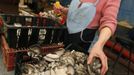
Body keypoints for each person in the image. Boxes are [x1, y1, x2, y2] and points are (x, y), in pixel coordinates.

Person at [54, 0, 121, 75]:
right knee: (59, 61)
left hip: (83, 39)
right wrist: (63, 10)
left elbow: (109, 21)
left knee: (74, 67)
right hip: (67, 33)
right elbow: (77, 11)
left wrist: (99, 44)